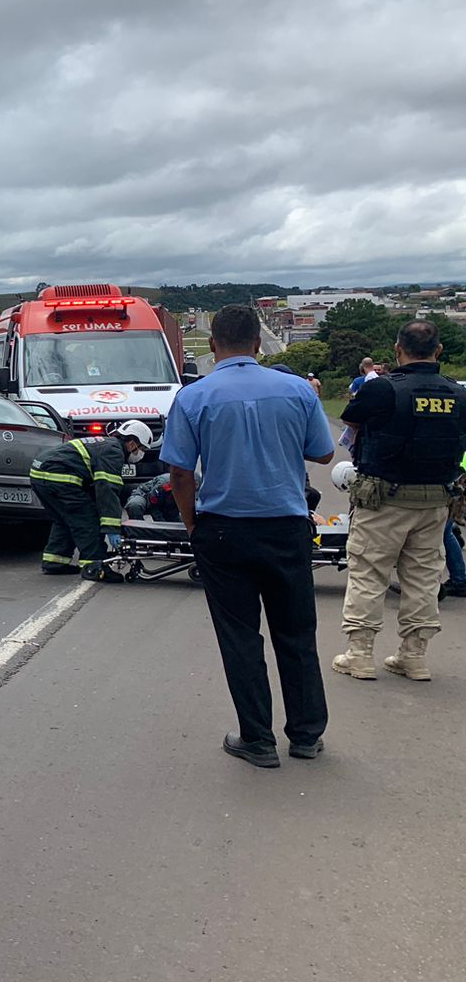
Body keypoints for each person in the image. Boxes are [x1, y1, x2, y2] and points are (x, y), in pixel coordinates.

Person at [162, 304, 335, 769]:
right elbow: (322, 453)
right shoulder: (298, 390)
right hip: (285, 527)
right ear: (258, 344)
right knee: (297, 632)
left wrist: (192, 523)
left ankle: (257, 740)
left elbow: (180, 470)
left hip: (223, 530)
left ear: (214, 346)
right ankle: (306, 735)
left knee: (240, 637)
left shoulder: (193, 397)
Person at [332, 321, 466, 682]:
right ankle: (414, 656)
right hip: (436, 502)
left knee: (368, 573)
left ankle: (360, 655)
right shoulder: (459, 394)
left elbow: (350, 420)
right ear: (438, 352)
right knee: (423, 578)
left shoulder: (383, 389)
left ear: (397, 350)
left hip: (383, 500)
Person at [30, 420, 156, 581]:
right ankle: (95, 567)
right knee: (86, 519)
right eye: (142, 449)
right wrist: (111, 528)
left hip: (40, 474)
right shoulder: (114, 452)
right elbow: (107, 490)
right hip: (58, 476)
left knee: (64, 519)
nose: (141, 454)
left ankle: (55, 561)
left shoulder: (106, 444)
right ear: (132, 444)